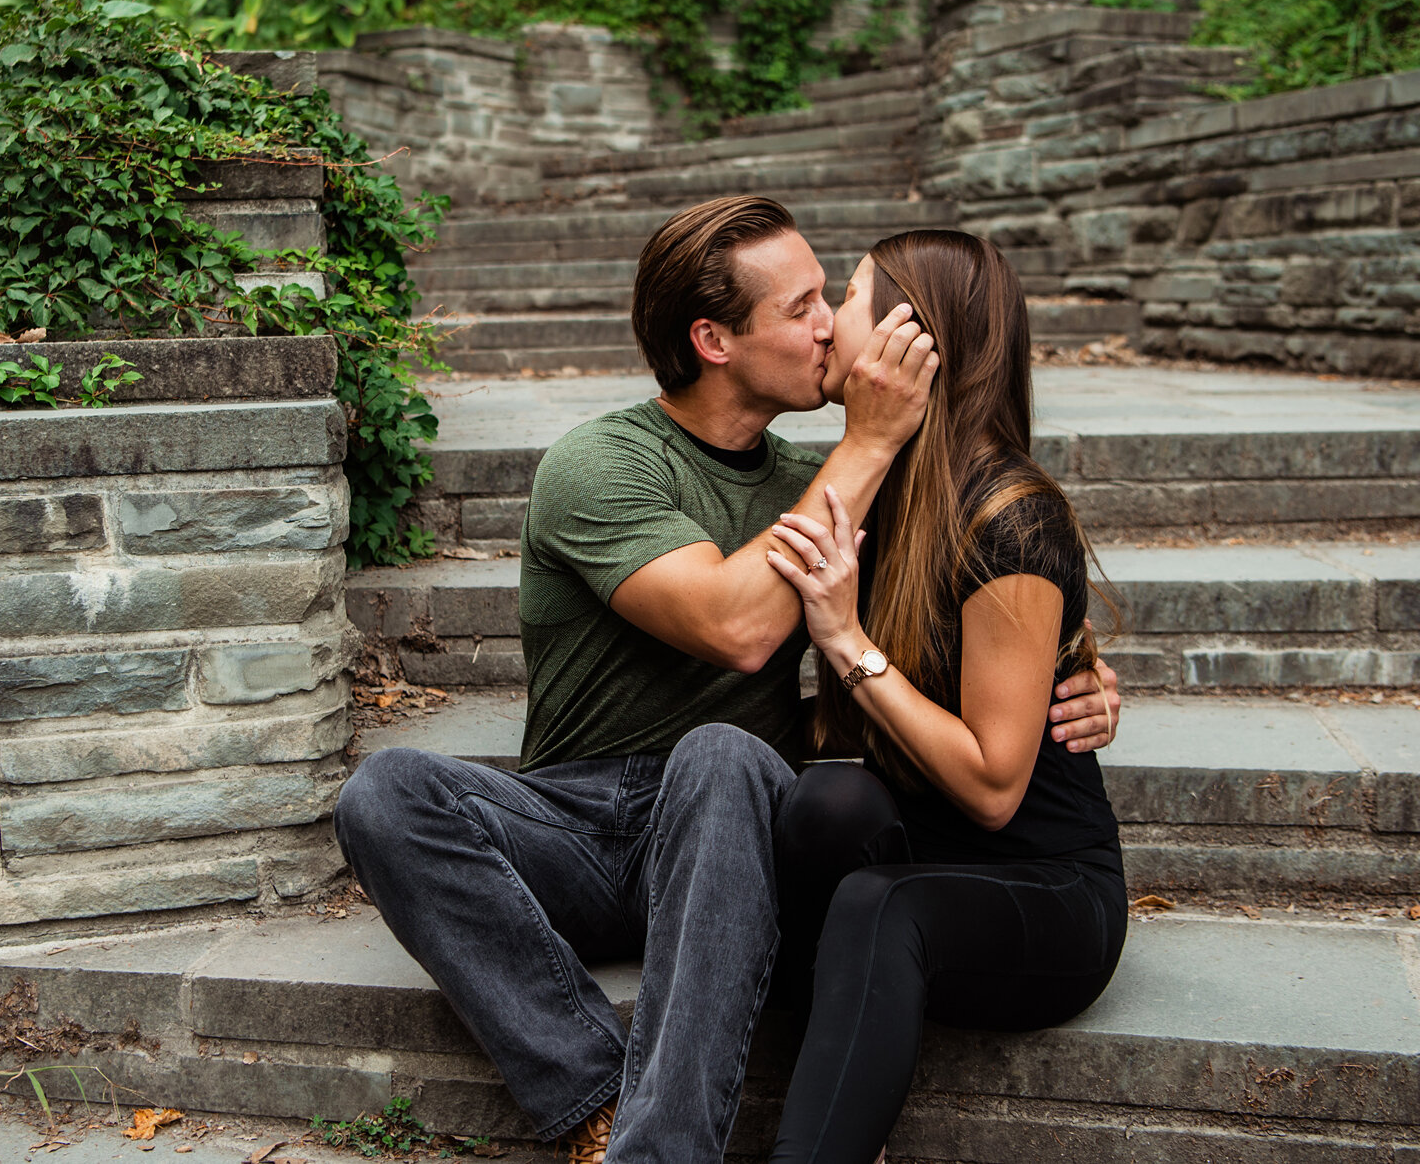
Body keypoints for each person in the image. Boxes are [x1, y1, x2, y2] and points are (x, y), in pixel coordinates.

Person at [332, 197, 1121, 1164]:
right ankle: (595, 1101)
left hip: (737, 820)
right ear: (714, 338)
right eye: (800, 307)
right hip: (582, 821)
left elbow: (984, 580)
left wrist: (1073, 671)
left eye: (834, 296)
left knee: (718, 755)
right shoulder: (604, 463)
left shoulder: (822, 472)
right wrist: (867, 445)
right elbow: (740, 628)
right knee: (386, 791)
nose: (830, 322)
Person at [761, 229, 1129, 1164]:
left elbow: (997, 787)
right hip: (920, 844)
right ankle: (839, 1057)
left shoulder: (1010, 516)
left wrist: (844, 641)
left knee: (880, 908)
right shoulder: (872, 490)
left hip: (1043, 886)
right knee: (824, 804)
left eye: (841, 297)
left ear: (904, 338)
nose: (823, 322)